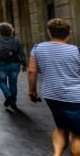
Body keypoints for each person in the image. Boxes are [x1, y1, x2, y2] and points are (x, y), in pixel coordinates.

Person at [28, 18, 80, 156]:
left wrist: (32, 91)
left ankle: (56, 154)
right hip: (76, 98)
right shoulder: (76, 51)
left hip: (52, 95)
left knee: (61, 128)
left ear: (49, 32)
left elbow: (32, 71)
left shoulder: (37, 48)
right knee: (77, 134)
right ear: (69, 33)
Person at [0, 22, 26, 109]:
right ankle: (13, 102)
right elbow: (22, 53)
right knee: (13, 83)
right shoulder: (15, 40)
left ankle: (8, 94)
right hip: (15, 64)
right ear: (10, 30)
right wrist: (24, 64)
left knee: (2, 82)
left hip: (1, 64)